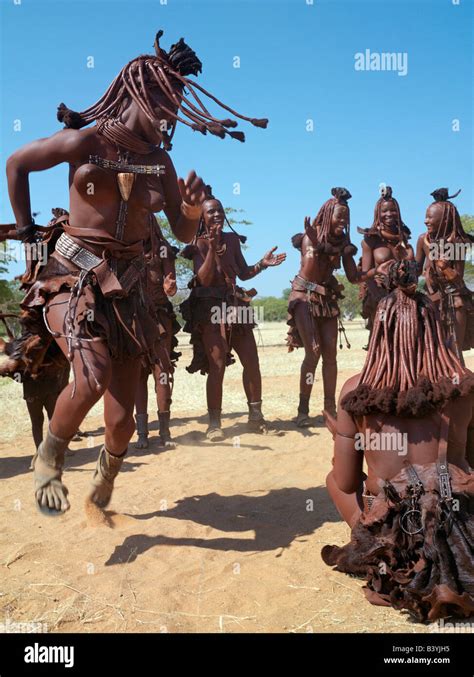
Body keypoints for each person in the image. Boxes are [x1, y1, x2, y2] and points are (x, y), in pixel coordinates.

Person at [5, 30, 267, 515]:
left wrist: (188, 211)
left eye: (177, 107)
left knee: (122, 422)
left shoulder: (161, 162)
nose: (170, 117)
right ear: (138, 96)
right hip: (73, 275)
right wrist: (25, 232)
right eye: (164, 105)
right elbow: (17, 163)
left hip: (128, 291)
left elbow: (185, 235)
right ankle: (49, 458)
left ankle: (103, 484)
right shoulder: (85, 141)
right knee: (91, 376)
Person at [322, 259, 474, 622]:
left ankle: (377, 550)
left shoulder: (355, 389)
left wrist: (355, 436)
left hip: (395, 537)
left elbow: (345, 482)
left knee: (333, 477)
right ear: (435, 331)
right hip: (458, 530)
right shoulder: (464, 385)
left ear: (379, 331)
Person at [180, 195, 285, 440]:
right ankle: (214, 424)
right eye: (210, 212)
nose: (216, 215)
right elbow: (204, 278)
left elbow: (244, 273)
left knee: (252, 361)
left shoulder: (232, 240)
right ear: (202, 218)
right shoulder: (197, 243)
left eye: (219, 211)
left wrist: (263, 264)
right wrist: (212, 248)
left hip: (236, 306)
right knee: (217, 366)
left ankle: (256, 417)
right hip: (209, 308)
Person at [286, 187, 359, 424]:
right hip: (304, 298)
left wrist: (376, 272)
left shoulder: (343, 244)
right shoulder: (311, 237)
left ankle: (329, 409)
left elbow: (354, 277)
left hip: (326, 301)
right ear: (328, 216)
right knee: (313, 352)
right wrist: (317, 245)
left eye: (346, 218)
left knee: (331, 355)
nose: (343, 222)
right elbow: (310, 268)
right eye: (340, 217)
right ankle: (303, 410)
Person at [134, 215, 181, 450]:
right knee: (138, 376)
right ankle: (142, 433)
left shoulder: (163, 249)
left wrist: (169, 287)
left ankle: (164, 430)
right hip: (133, 320)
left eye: (145, 221)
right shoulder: (126, 248)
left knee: (161, 371)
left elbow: (171, 285)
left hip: (160, 317)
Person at [416, 187, 474, 359]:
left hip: (455, 300)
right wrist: (406, 263)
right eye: (426, 216)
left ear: (445, 219)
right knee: (433, 349)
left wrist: (444, 267)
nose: (426, 221)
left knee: (453, 350)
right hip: (433, 299)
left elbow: (457, 277)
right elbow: (417, 269)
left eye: (430, 217)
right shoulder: (423, 240)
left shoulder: (457, 242)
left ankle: (459, 384)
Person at [359, 186, 414, 341]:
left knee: (407, 337)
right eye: (384, 211)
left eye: (393, 210)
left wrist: (409, 260)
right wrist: (379, 298)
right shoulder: (370, 240)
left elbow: (413, 273)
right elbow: (365, 275)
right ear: (378, 213)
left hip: (404, 296)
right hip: (379, 297)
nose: (389, 214)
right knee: (382, 337)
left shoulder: (403, 238)